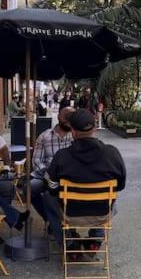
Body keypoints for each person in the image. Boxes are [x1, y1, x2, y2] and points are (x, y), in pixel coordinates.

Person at [43, 109, 126, 259]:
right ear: (94, 129)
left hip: (70, 213)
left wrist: (62, 192)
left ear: (73, 132)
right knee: (110, 197)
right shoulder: (112, 153)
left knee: (47, 197)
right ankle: (96, 239)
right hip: (102, 214)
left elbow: (51, 185)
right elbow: (120, 185)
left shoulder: (62, 156)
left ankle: (69, 243)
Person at [29, 107, 75, 220]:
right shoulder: (45, 136)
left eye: (72, 117)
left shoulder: (76, 136)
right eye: (66, 117)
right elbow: (36, 161)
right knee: (30, 187)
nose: (69, 120)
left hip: (71, 177)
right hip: (47, 176)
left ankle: (65, 218)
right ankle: (49, 217)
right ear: (59, 116)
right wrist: (49, 174)